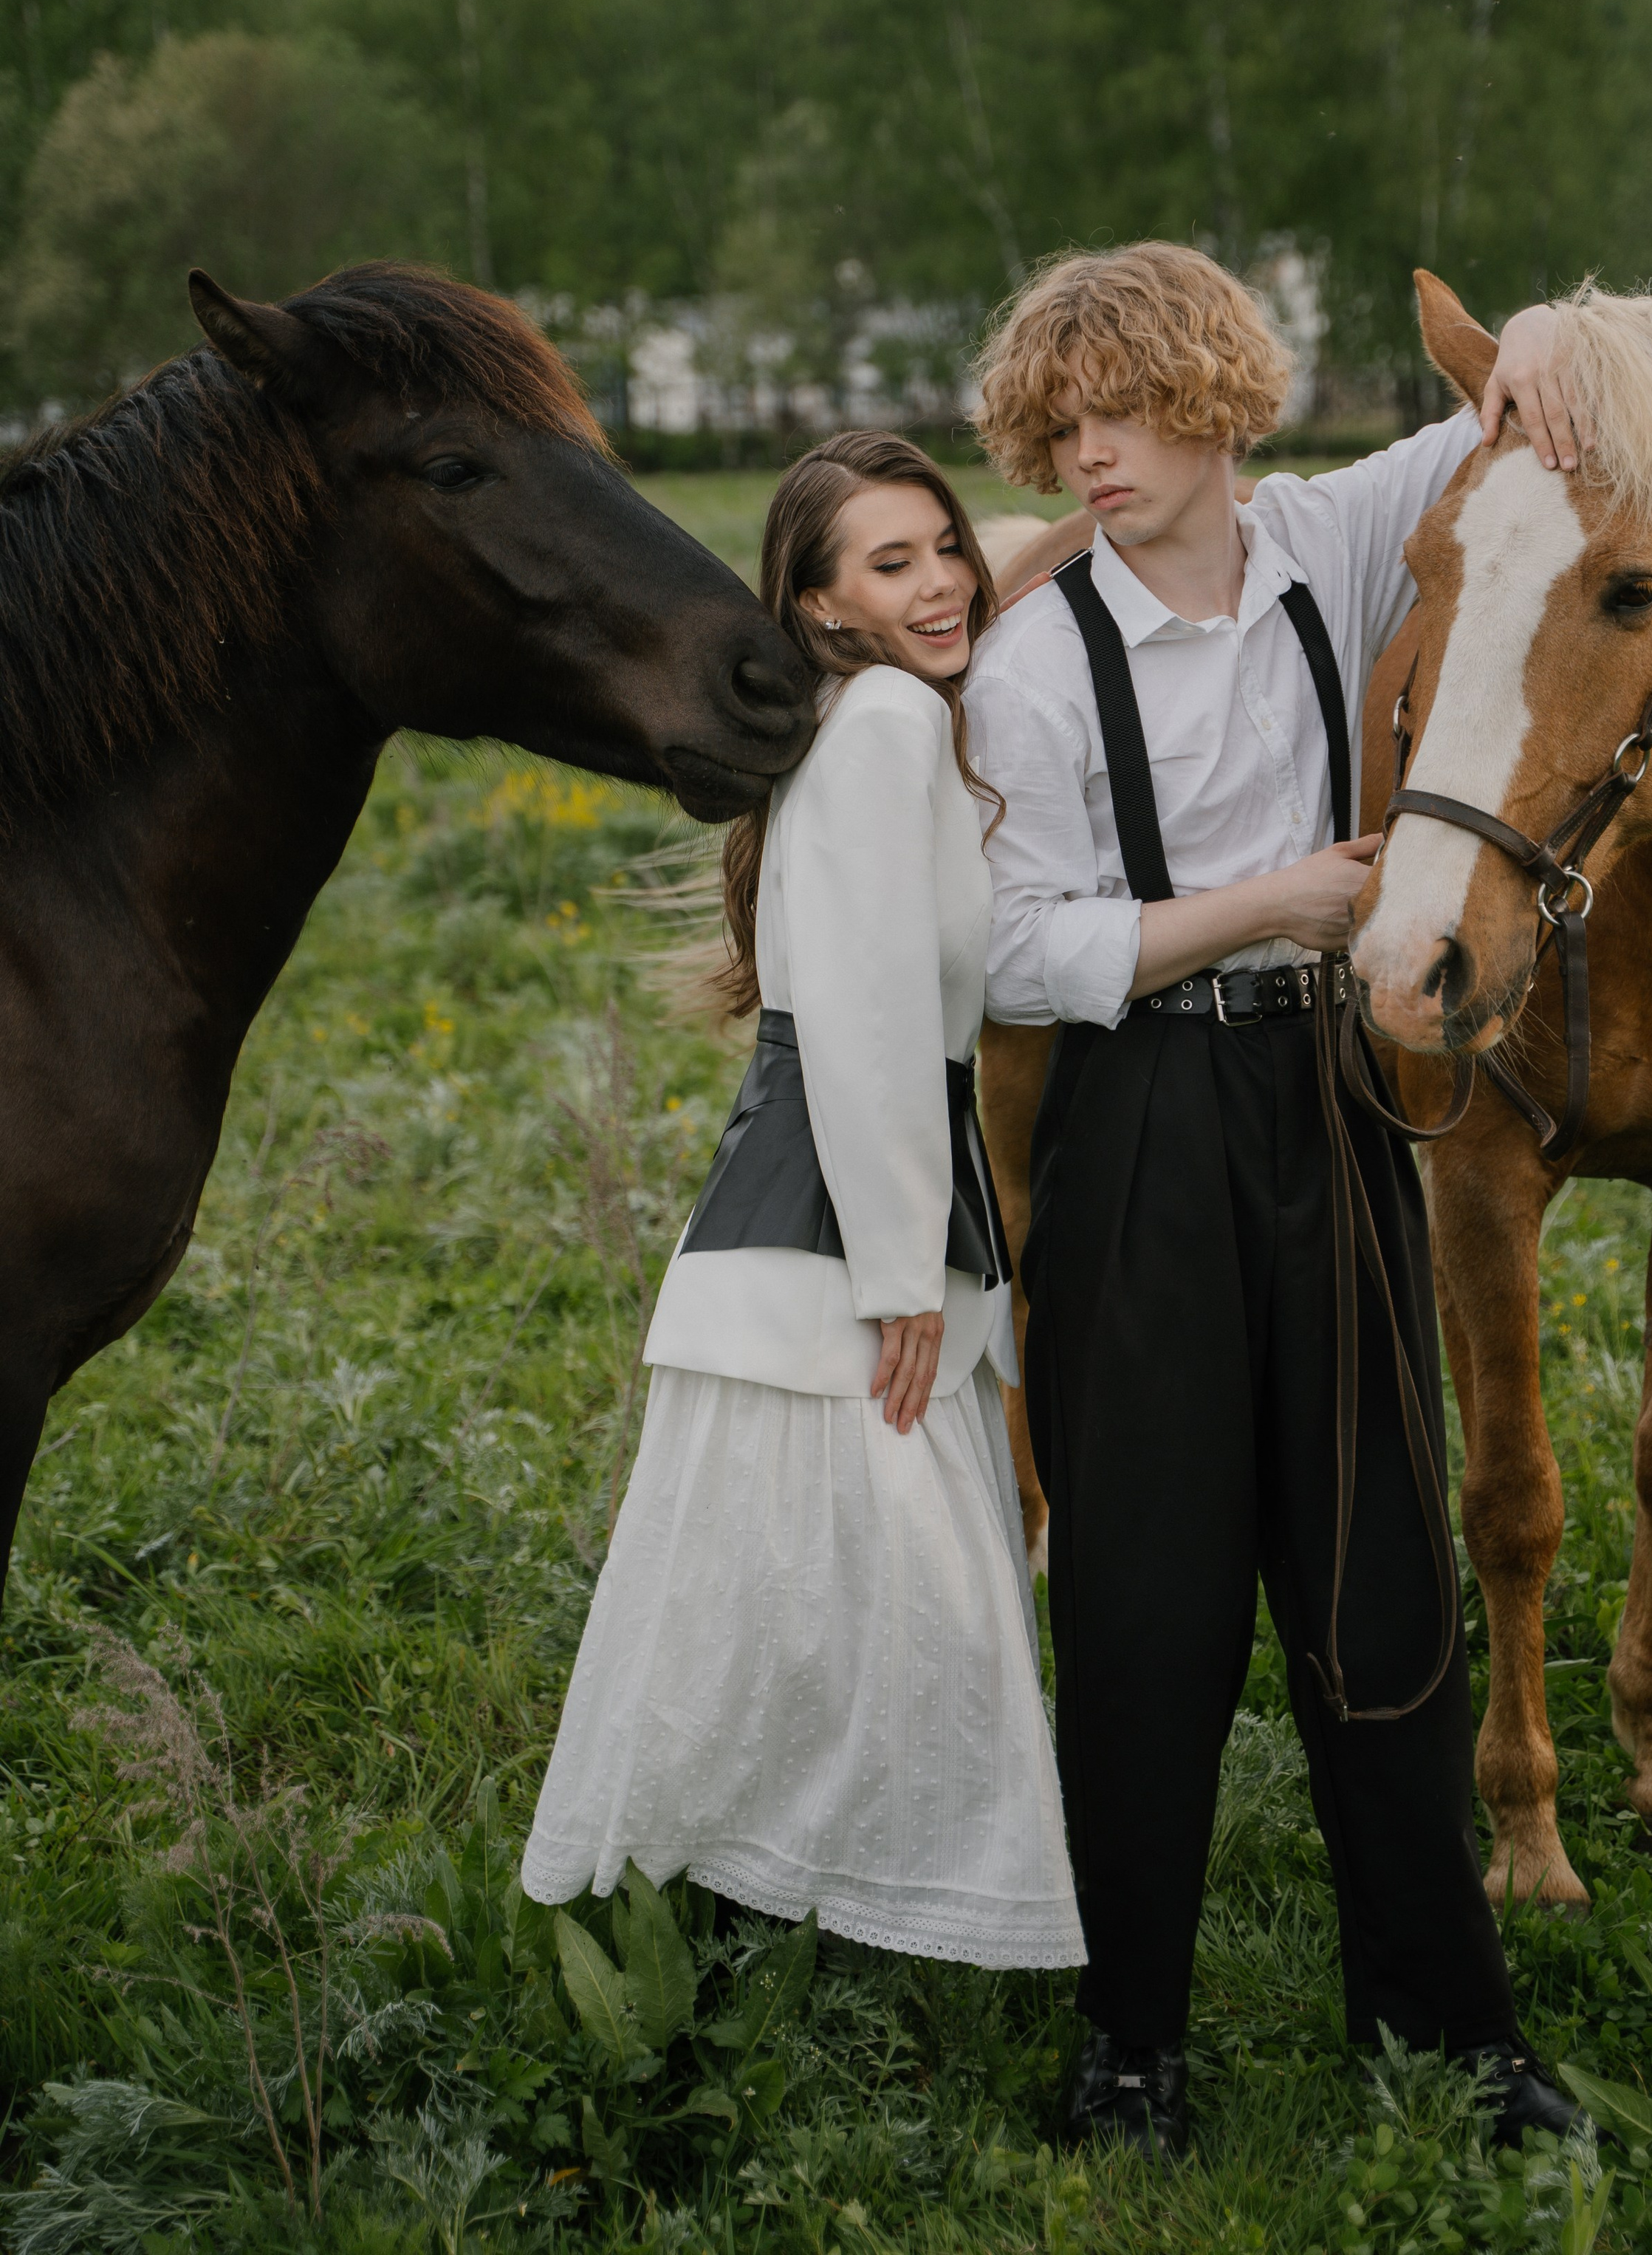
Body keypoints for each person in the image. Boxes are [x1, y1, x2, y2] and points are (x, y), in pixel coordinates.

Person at [964, 244, 1586, 2156]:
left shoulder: (1328, 538)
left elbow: (1514, 404)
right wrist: (1271, 906)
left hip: (1326, 1108)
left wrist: (1557, 368)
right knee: (1145, 1600)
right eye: (1057, 429)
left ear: (1217, 404)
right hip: (1139, 1119)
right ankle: (1131, 2047)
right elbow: (1005, 952)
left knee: (1378, 1561)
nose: (1088, 457)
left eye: (1121, 413)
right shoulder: (1035, 661)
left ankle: (1447, 2026)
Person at [522, 431, 1084, 1974]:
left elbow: (1006, 548)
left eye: (944, 548)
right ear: (820, 607)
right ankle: (829, 1919)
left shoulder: (862, 700)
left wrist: (1046, 535)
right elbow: (855, 1010)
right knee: (901, 1607)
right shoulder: (894, 717)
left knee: (784, 1594)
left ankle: (745, 1911)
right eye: (887, 565)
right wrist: (901, 1275)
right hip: (840, 1220)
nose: (941, 582)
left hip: (831, 1196)